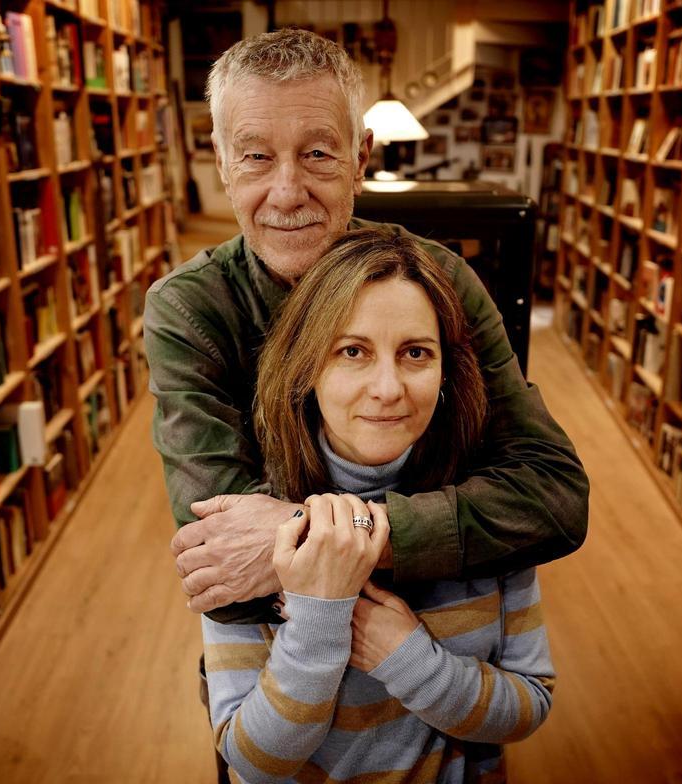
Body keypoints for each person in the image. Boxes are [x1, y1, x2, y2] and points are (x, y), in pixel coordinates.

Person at [145, 28, 588, 624]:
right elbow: (226, 575)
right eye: (255, 156)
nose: (287, 191)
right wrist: (428, 536)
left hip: (452, 635)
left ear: (360, 161)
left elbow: (555, 497)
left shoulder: (440, 281)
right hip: (278, 674)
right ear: (224, 165)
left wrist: (339, 534)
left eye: (318, 154)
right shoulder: (190, 309)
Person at [205, 227, 555, 782]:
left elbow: (531, 702)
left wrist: (408, 657)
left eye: (416, 352)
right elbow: (252, 762)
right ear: (306, 369)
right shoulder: (251, 521)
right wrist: (320, 623)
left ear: (445, 373)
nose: (388, 388)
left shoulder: (490, 507)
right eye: (352, 352)